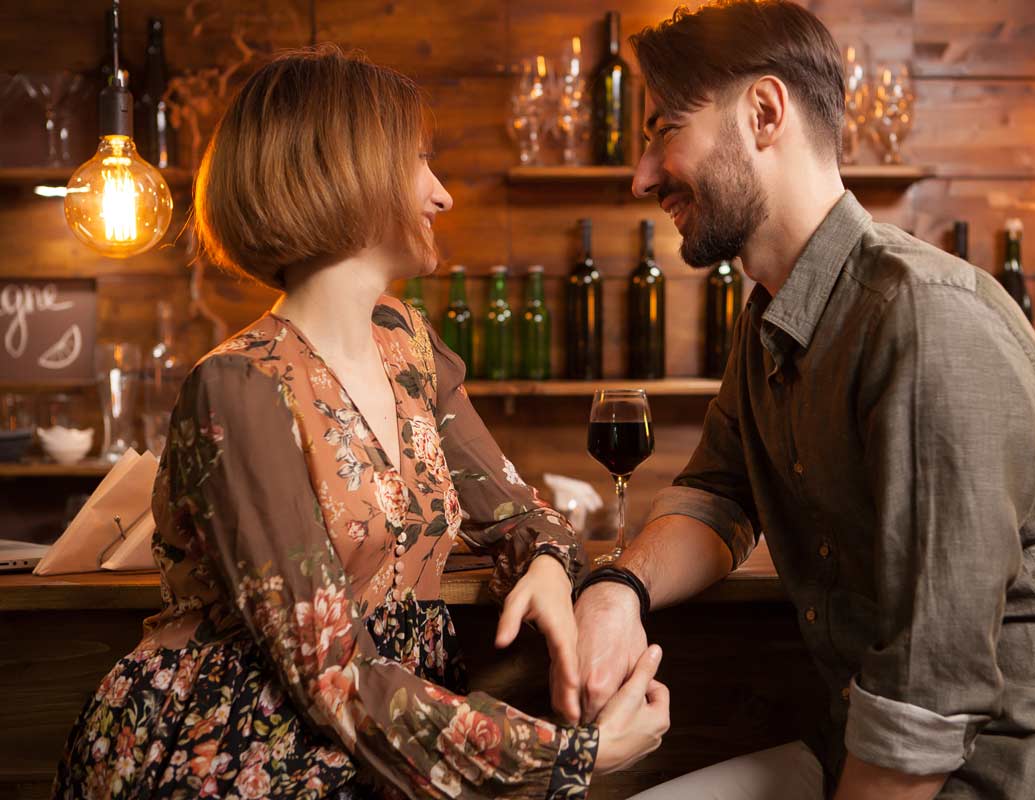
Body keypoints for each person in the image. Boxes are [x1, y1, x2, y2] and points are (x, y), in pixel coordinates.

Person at [568, 2, 1035, 798]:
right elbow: (717, 493)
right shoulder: (770, 315)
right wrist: (619, 589)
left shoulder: (925, 318)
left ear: (764, 112)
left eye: (665, 129)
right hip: (864, 747)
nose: (642, 177)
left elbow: (928, 698)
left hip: (1014, 774)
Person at [53, 46, 668, 800]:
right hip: (235, 753)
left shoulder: (408, 345)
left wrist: (544, 562)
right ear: (343, 172)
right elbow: (333, 676)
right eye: (420, 163)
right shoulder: (239, 386)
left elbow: (525, 514)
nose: (443, 195)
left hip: (383, 748)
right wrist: (575, 756)